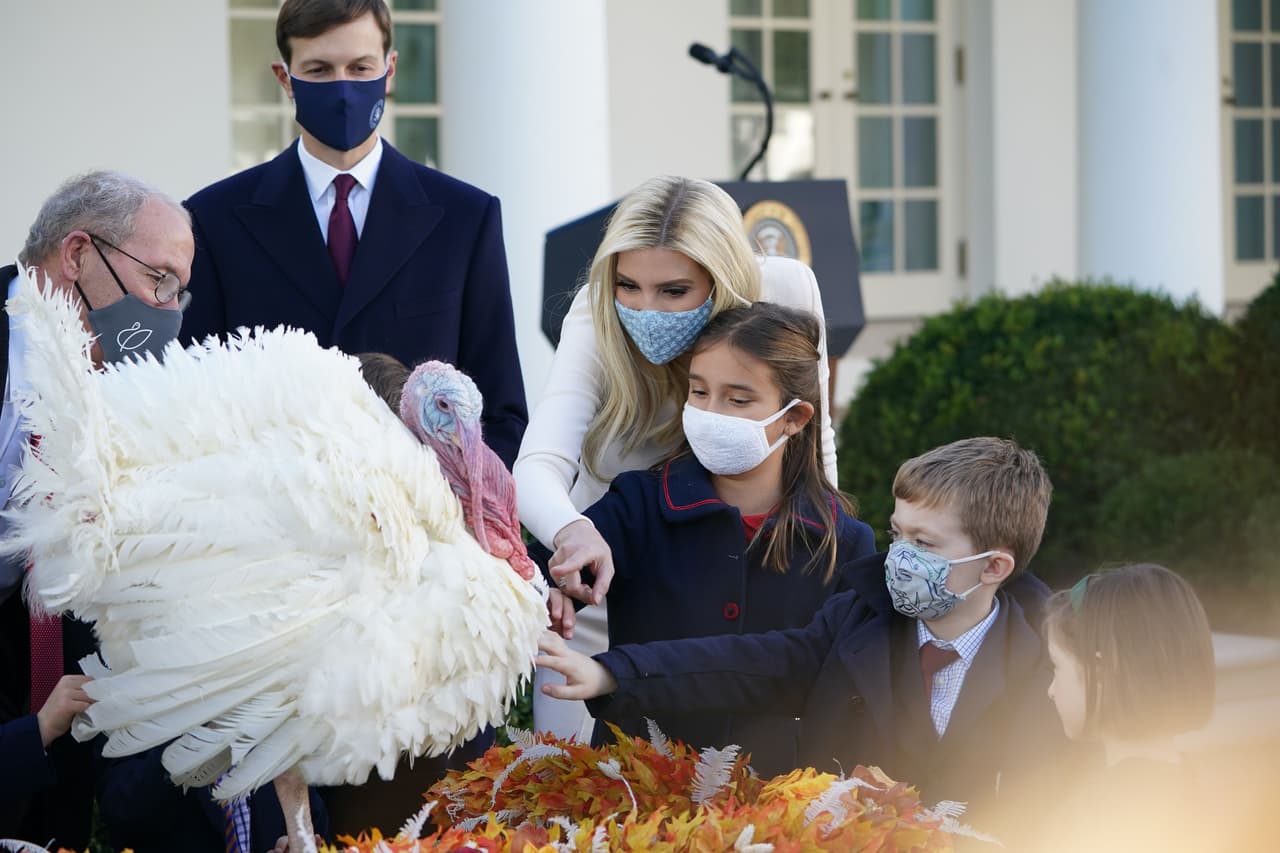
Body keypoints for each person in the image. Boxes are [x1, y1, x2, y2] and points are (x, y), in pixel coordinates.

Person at [536, 437, 1075, 843]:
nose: (900, 555)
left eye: (925, 542)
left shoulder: (1051, 666)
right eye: (897, 533)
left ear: (993, 567)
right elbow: (748, 663)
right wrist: (613, 671)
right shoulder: (857, 619)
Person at [516, 174, 838, 740]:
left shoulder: (786, 289)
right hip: (603, 588)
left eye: (673, 291)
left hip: (754, 581)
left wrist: (832, 559)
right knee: (578, 789)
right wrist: (571, 533)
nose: (645, 308)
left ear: (723, 279)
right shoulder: (594, 317)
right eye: (628, 285)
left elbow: (816, 441)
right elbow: (538, 464)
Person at [530, 303, 873, 775]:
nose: (711, 413)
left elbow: (801, 668)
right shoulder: (639, 504)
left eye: (738, 399)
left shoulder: (844, 544)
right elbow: (528, 570)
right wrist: (549, 584)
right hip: (635, 796)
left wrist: (617, 673)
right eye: (699, 391)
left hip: (778, 809)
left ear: (795, 418)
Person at [181, 0, 527, 468]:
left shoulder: (466, 218)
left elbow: (502, 411)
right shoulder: (212, 219)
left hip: (425, 525)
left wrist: (456, 511)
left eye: (360, 67)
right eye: (319, 70)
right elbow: (194, 398)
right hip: (269, 521)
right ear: (285, 79)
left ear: (389, 70)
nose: (343, 87)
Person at [0, 169, 193, 848]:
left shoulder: (138, 391)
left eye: (180, 291)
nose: (169, 311)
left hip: (68, 726)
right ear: (78, 254)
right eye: (158, 280)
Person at [1035, 564, 1217, 852]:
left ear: (1102, 670)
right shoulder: (1196, 788)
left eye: (1057, 667)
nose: (1051, 691)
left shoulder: (1106, 814)